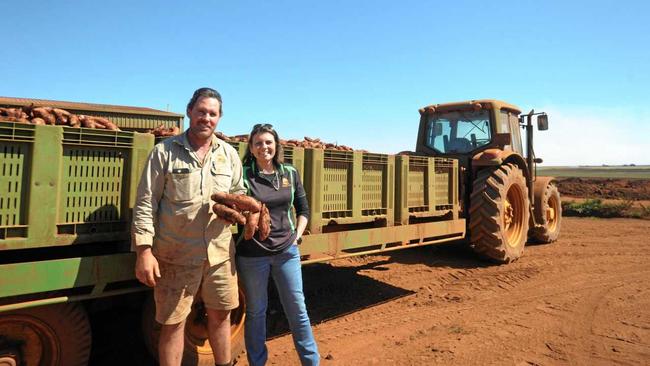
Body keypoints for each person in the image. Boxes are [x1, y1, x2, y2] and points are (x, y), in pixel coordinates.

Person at [132, 87, 245, 366]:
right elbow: (146, 203)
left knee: (221, 316)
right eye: (201, 112)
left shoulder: (229, 155)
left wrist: (239, 209)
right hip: (176, 255)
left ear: (219, 118)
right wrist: (143, 252)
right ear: (189, 112)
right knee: (173, 323)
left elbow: (238, 193)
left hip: (219, 255)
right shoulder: (164, 153)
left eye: (213, 113)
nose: (206, 118)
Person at [236, 123, 320, 366]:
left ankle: (311, 362)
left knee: (298, 310)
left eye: (268, 142)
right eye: (259, 143)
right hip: (253, 255)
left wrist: (298, 235)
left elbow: (303, 209)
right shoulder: (243, 174)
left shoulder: (289, 173)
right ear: (251, 148)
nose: (264, 147)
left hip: (286, 252)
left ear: (276, 145)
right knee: (256, 312)